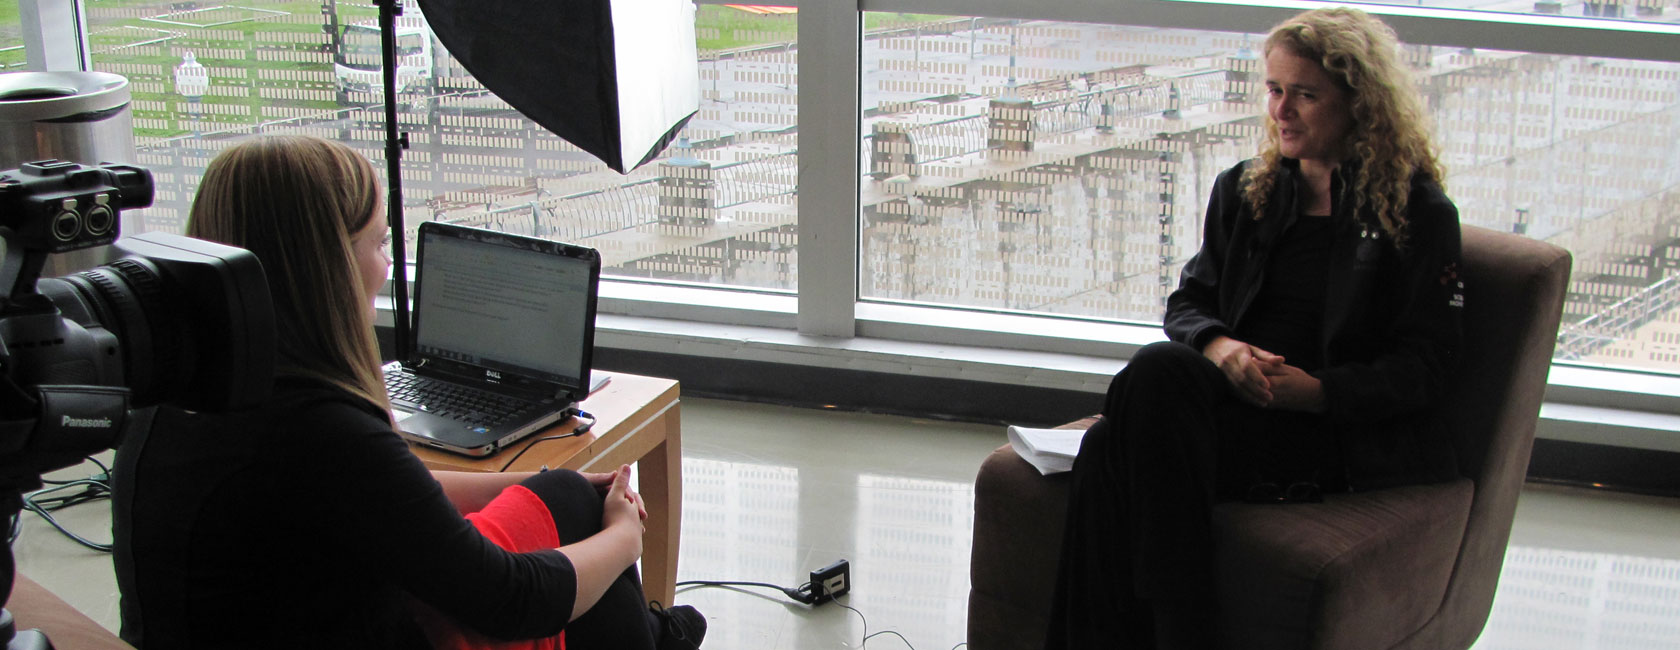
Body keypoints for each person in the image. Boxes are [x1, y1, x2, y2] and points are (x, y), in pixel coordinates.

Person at [111, 135, 706, 650]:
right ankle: (655, 635)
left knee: (567, 491)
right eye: (376, 244)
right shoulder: (319, 429)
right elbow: (510, 598)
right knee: (581, 528)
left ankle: (654, 635)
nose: (384, 266)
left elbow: (394, 495)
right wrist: (625, 539)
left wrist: (548, 482)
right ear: (328, 267)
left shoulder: (176, 400)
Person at [1045, 8, 1463, 649]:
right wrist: (1220, 346)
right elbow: (1189, 301)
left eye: (1305, 94)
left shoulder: (1418, 213)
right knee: (1154, 384)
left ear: (1358, 102)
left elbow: (1428, 370)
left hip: (1325, 430)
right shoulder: (1246, 189)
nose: (1281, 111)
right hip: (1229, 404)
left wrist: (1316, 391)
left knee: (1112, 445)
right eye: (1274, 89)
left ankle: (1175, 631)